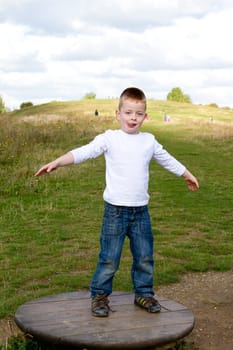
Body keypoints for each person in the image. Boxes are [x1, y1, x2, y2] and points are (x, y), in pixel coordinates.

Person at [35, 87, 199, 317]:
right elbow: (85, 151)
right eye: (129, 112)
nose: (133, 118)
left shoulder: (149, 141)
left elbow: (167, 159)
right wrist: (57, 162)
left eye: (138, 113)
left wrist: (186, 174)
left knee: (144, 256)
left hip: (141, 212)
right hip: (115, 212)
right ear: (118, 113)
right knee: (109, 258)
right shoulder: (109, 138)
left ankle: (144, 293)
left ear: (146, 116)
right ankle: (99, 297)